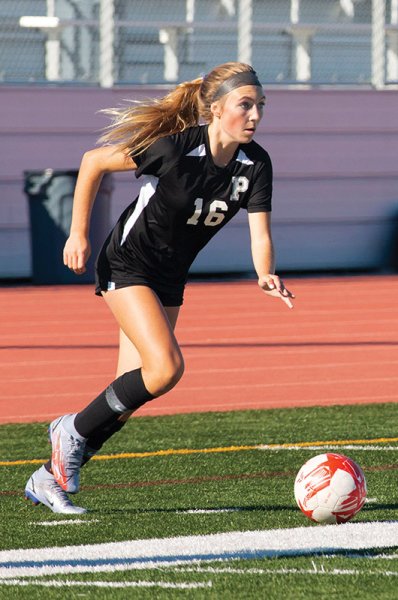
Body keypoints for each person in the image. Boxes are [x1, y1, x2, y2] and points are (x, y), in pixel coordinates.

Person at [25, 62, 294, 514]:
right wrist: (78, 234)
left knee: (127, 396)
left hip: (169, 277)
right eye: (245, 105)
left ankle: (50, 478)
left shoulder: (256, 164)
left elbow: (260, 234)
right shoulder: (177, 148)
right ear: (214, 109)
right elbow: (94, 163)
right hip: (128, 263)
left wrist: (265, 274)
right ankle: (67, 430)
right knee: (167, 368)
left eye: (260, 106)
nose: (255, 115)